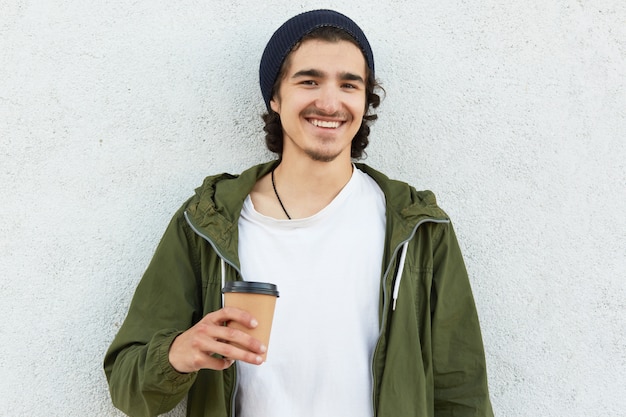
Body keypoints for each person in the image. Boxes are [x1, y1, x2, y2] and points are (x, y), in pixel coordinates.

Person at [104, 9, 494, 417]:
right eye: (309, 81)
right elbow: (128, 388)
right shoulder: (208, 223)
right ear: (275, 97)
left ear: (364, 100)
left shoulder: (419, 229)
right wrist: (178, 354)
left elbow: (461, 390)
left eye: (348, 84)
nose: (329, 101)